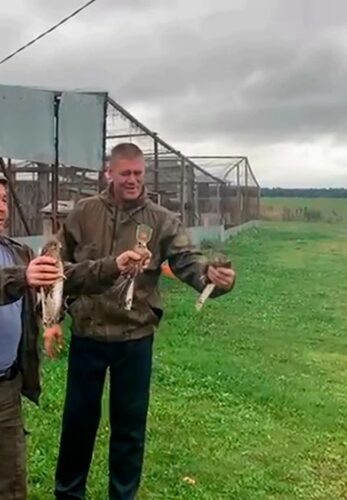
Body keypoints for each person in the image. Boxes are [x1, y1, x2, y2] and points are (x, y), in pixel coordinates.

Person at [0, 171, 148, 500]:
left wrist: (114, 266)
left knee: (7, 488)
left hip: (6, 390)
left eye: (4, 200)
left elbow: (64, 277)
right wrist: (24, 276)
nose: (1, 207)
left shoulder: (17, 251)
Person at [50, 143, 237, 499]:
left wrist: (211, 278)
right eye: (125, 174)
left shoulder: (162, 220)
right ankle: (68, 494)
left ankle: (123, 495)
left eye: (138, 173)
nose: (133, 180)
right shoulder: (83, 214)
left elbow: (186, 261)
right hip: (89, 333)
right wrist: (54, 316)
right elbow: (59, 264)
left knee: (129, 429)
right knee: (78, 424)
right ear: (109, 173)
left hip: (134, 337)